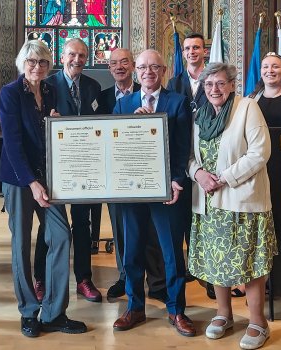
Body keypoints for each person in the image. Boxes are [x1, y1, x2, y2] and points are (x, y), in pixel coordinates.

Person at [0, 39, 88, 337]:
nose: (37, 67)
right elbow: (12, 144)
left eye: (43, 63)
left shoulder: (49, 91)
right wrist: (32, 182)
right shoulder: (10, 93)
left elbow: (50, 134)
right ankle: (27, 311)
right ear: (22, 64)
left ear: (50, 65)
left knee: (61, 236)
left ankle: (54, 312)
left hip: (48, 177)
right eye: (32, 62)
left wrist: (56, 125)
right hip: (18, 178)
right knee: (22, 244)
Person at [187, 63, 277, 349]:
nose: (214, 89)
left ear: (232, 85)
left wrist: (224, 178)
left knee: (248, 260)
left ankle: (257, 322)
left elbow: (260, 152)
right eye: (209, 84)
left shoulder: (247, 107)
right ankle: (223, 313)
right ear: (203, 87)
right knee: (217, 259)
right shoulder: (199, 115)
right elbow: (188, 156)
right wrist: (198, 174)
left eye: (220, 83)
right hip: (209, 202)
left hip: (241, 198)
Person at [111, 49, 195, 337]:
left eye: (154, 67)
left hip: (166, 191)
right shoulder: (123, 106)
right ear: (136, 71)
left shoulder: (178, 102)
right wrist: (132, 125)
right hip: (132, 191)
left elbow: (184, 147)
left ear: (164, 71)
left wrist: (176, 180)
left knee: (171, 252)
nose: (148, 72)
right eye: (143, 67)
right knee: (132, 250)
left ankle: (176, 309)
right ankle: (135, 307)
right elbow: (114, 148)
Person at [98, 48, 167, 303]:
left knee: (153, 231)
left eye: (125, 62)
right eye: (114, 63)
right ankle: (126, 278)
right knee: (124, 231)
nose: (119, 67)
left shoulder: (162, 95)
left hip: (155, 178)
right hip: (122, 178)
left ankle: (158, 281)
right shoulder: (112, 100)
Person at [38, 38, 103, 303]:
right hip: (53, 167)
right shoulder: (46, 86)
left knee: (82, 223)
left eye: (82, 56)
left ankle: (84, 279)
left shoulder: (93, 86)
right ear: (62, 57)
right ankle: (41, 279)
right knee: (49, 226)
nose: (77, 60)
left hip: (84, 166)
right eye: (73, 55)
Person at [165, 32, 216, 300]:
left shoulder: (213, 81)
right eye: (187, 48)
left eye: (196, 47)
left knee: (205, 221)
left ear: (204, 52)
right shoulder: (174, 83)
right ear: (182, 53)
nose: (192, 52)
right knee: (185, 218)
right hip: (183, 157)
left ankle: (210, 278)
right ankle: (187, 269)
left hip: (207, 157)